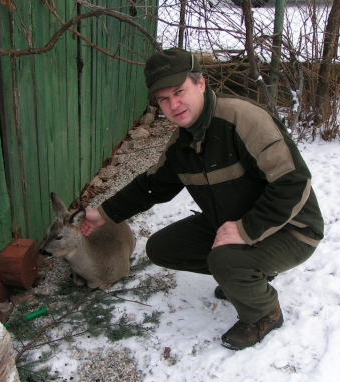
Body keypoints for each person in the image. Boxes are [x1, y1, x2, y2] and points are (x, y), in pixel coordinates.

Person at [80, 48, 324, 350]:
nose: (174, 104)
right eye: (163, 99)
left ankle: (264, 312)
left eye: (180, 91)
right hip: (232, 221)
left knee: (226, 260)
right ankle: (245, 274)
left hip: (292, 228)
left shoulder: (243, 119)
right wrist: (103, 213)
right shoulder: (182, 143)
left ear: (201, 83)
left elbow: (294, 182)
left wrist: (246, 230)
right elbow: (152, 186)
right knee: (162, 248)